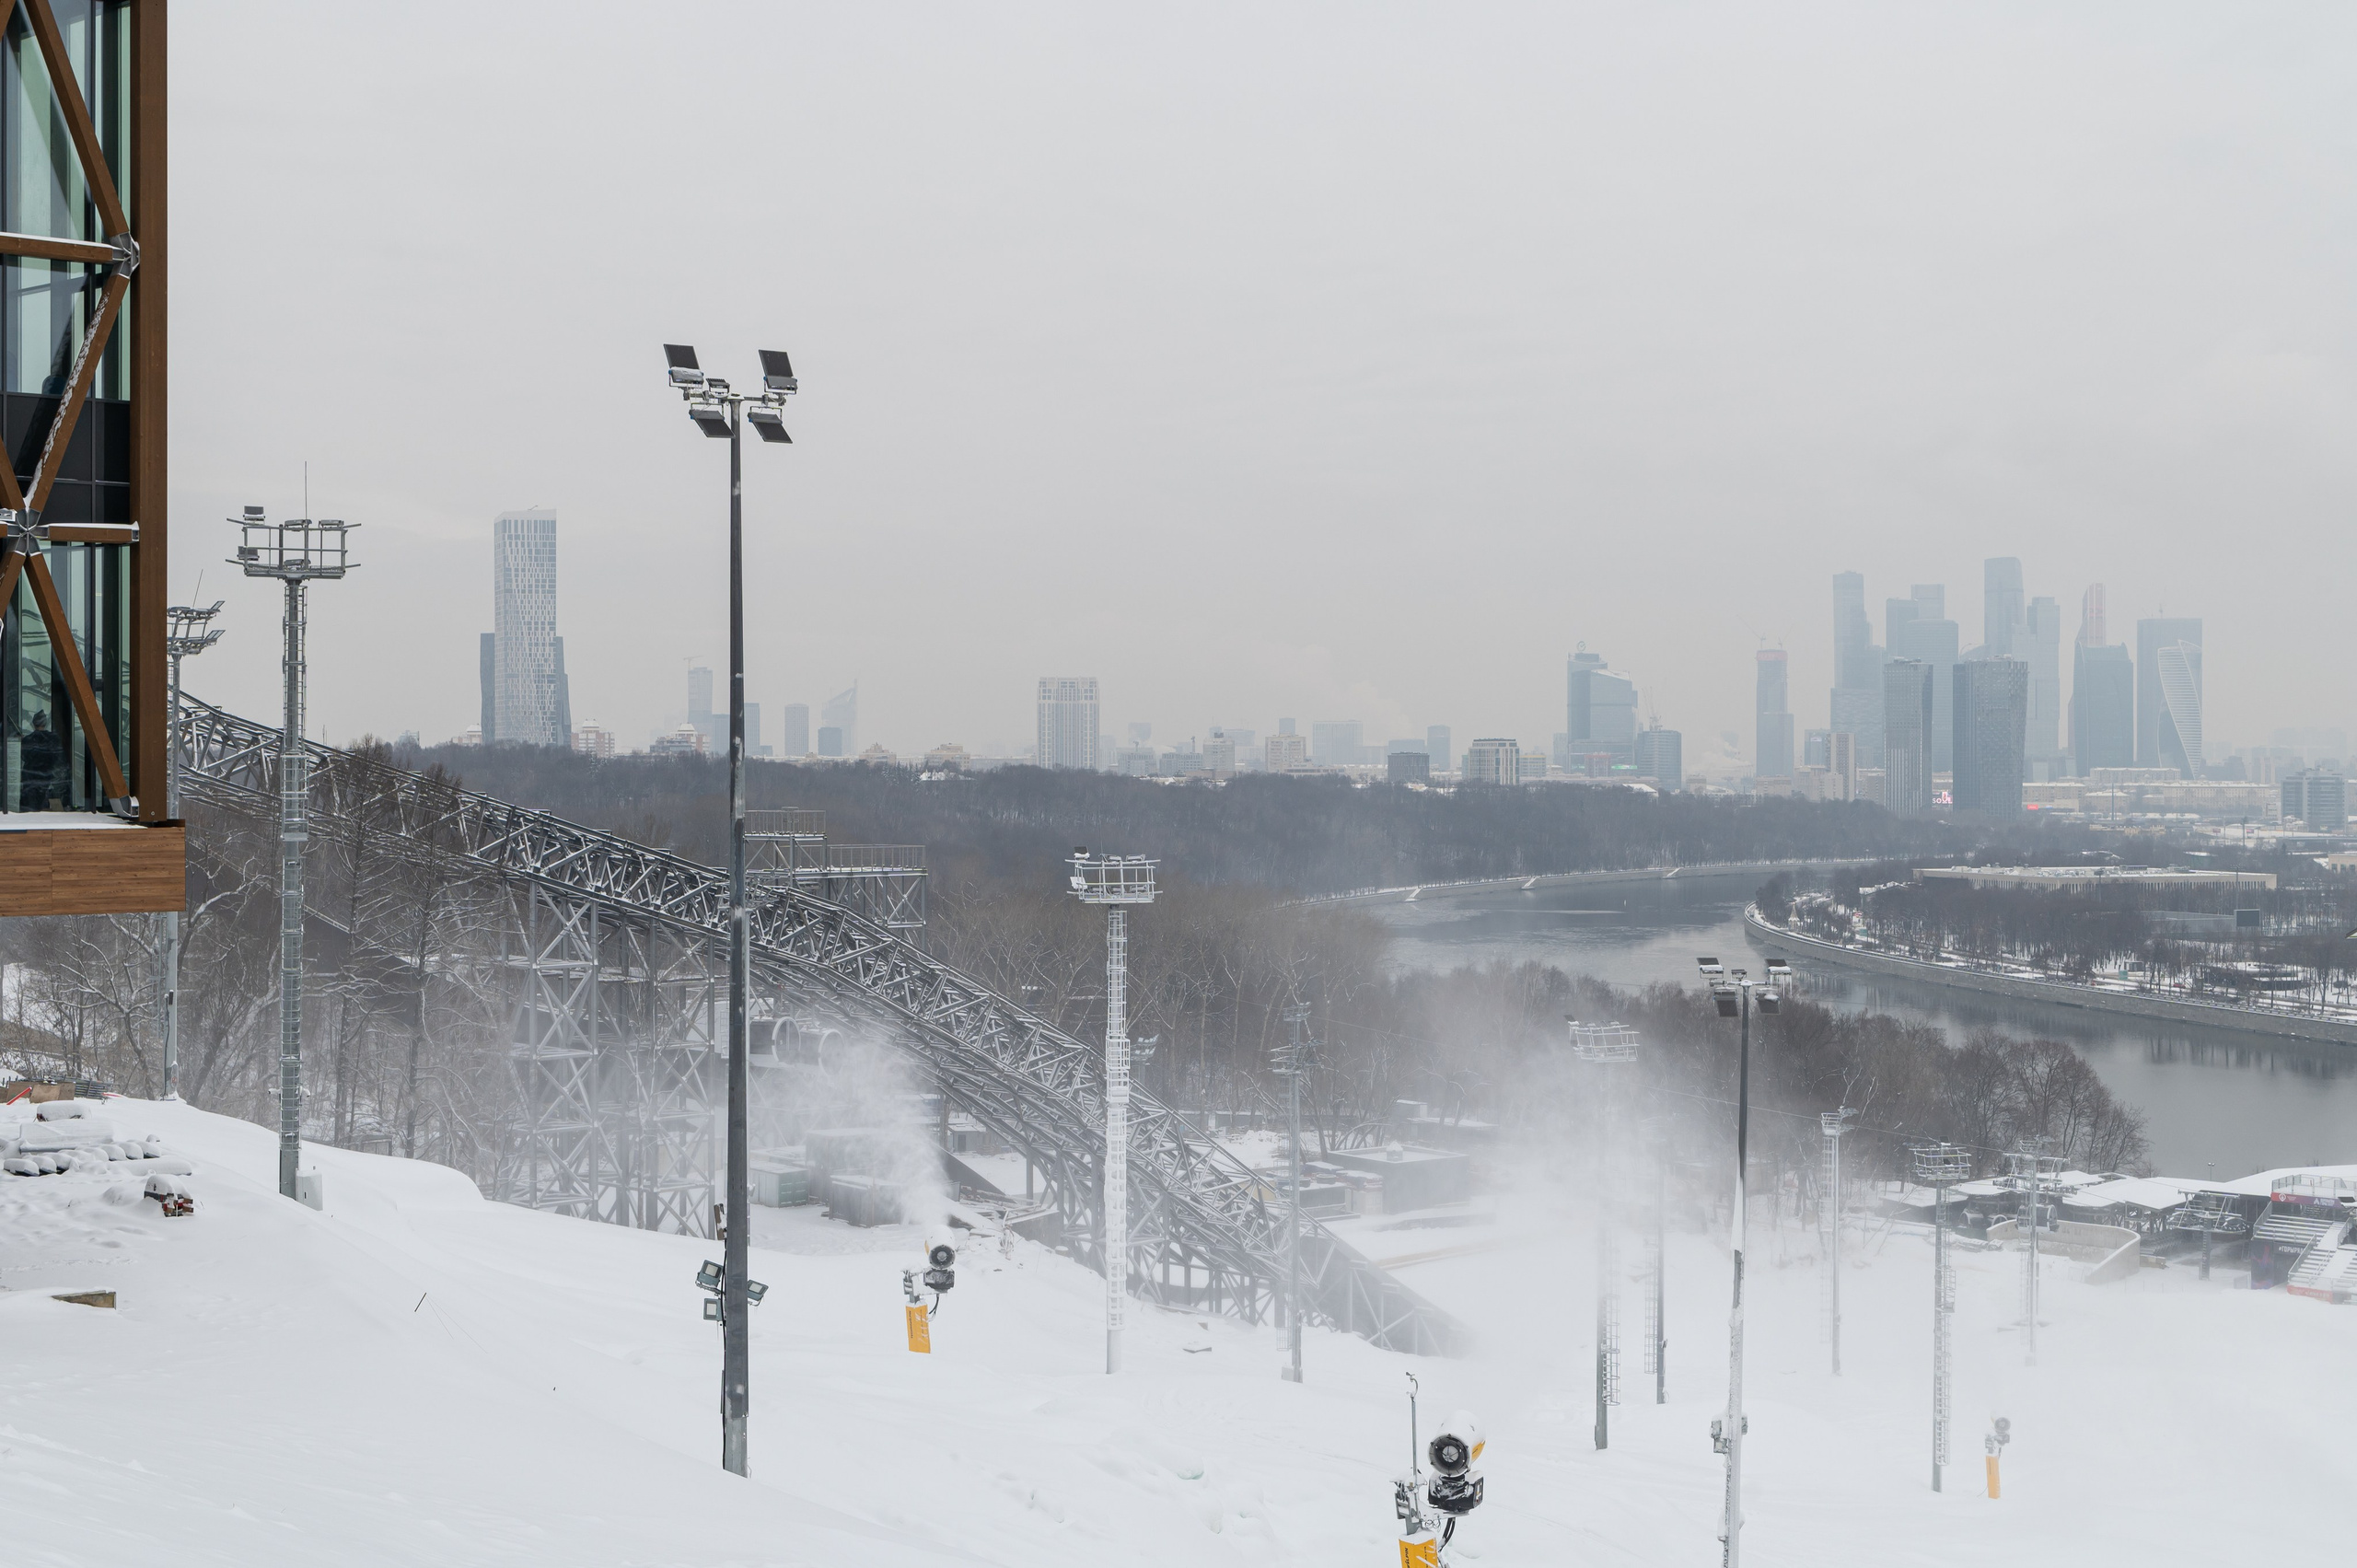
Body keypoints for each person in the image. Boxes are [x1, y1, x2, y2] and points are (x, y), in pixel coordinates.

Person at [17, 710, 63, 811]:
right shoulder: (53, 738)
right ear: (45, 723)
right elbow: (57, 756)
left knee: (30, 803)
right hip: (46, 774)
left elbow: (24, 756)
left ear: (34, 723)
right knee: (42, 799)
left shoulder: (28, 739)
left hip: (30, 776)